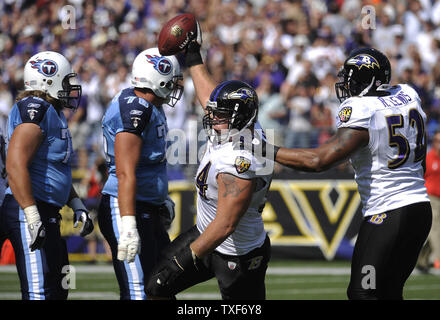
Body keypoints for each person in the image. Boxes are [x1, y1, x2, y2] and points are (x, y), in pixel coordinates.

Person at [271, 47, 432, 300]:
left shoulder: (361, 108)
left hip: (387, 213)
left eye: (353, 79)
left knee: (362, 292)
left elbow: (318, 161)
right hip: (419, 210)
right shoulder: (408, 94)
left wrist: (265, 150)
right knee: (389, 292)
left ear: (370, 81)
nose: (347, 85)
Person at [146, 25, 273, 300]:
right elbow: (209, 95)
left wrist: (185, 259)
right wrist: (192, 55)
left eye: (220, 114)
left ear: (239, 118)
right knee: (156, 287)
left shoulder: (239, 160)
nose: (211, 117)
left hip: (238, 253)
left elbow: (226, 224)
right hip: (207, 234)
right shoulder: (236, 126)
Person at [0, 51, 94, 300]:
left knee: (58, 290)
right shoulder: (36, 109)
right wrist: (31, 215)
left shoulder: (52, 113)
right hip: (30, 208)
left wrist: (76, 203)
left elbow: (56, 169)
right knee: (39, 292)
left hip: (47, 210)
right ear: (49, 80)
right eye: (65, 81)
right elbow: (16, 163)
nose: (70, 89)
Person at [98, 47, 182, 300]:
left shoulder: (147, 105)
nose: (175, 86)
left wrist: (160, 199)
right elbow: (125, 173)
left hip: (145, 206)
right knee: (138, 292)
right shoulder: (137, 109)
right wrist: (128, 225)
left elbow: (149, 163)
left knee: (162, 289)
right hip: (126, 207)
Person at [418, 130, 440, 271]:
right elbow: (420, 176)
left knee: (433, 231)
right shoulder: (429, 158)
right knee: (436, 228)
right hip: (431, 197)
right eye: (438, 141)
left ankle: (422, 260)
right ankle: (438, 258)